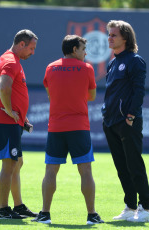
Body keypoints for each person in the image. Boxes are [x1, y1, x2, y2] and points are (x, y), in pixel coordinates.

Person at [31, 35, 104, 225]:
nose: (85, 52)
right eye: (82, 49)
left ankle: (45, 214)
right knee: (86, 171)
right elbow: (92, 96)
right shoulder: (87, 68)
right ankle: (92, 215)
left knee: (50, 171)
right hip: (79, 127)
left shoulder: (50, 67)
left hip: (56, 127)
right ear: (74, 50)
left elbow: (51, 95)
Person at [101, 20, 149, 223]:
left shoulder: (135, 61)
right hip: (111, 122)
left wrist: (131, 115)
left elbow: (139, 91)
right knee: (121, 167)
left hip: (128, 121)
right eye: (109, 34)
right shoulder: (113, 62)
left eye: (114, 35)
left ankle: (145, 209)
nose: (110, 38)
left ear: (125, 37)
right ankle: (131, 207)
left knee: (134, 165)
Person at [0, 29, 38, 219]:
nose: (33, 52)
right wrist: (10, 111)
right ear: (21, 44)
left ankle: (18, 206)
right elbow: (4, 86)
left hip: (12, 122)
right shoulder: (11, 61)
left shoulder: (10, 59)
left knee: (17, 163)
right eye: (31, 48)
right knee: (9, 165)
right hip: (6, 122)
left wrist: (22, 119)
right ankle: (3, 209)